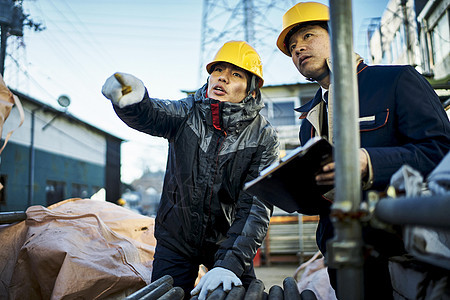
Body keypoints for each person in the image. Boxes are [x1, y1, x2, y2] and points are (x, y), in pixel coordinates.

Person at [276, 2, 450, 299]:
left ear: (338, 36)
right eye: (292, 47)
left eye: (307, 36)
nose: (298, 50)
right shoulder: (310, 119)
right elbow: (320, 198)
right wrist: (292, 190)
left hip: (401, 252)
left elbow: (441, 151)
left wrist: (369, 162)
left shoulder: (395, 81)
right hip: (341, 256)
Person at [101, 40, 279, 300]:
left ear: (251, 91)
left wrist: (230, 264)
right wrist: (134, 101)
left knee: (240, 296)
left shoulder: (263, 137)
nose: (223, 78)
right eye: (218, 71)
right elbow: (152, 114)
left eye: (236, 74)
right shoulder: (187, 112)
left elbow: (255, 207)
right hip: (175, 241)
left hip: (227, 241)